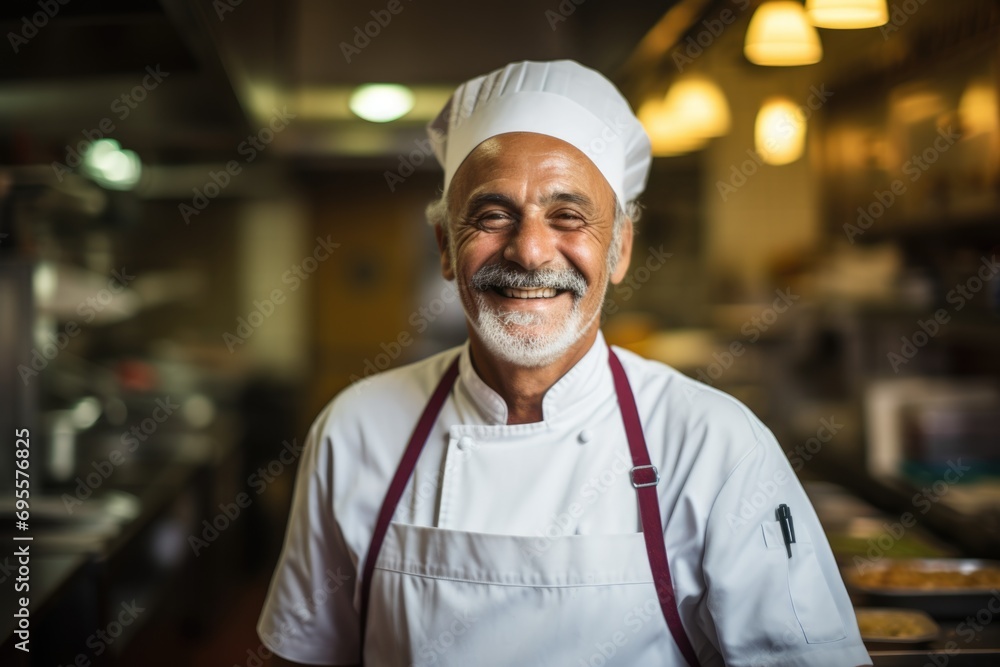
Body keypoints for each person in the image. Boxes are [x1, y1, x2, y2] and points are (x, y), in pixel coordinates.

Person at [258, 60, 872, 667]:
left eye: (568, 216)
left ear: (620, 248)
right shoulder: (355, 431)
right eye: (493, 214)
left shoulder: (717, 448)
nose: (528, 251)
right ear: (446, 247)